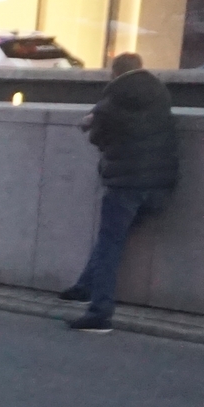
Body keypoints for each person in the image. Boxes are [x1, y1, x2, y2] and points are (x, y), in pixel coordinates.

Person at [63, 51, 179, 332]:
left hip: (126, 183)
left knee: (109, 244)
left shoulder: (112, 100)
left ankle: (99, 312)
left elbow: (97, 136)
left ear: (114, 73)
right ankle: (84, 286)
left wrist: (89, 121)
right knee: (113, 238)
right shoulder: (160, 95)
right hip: (160, 184)